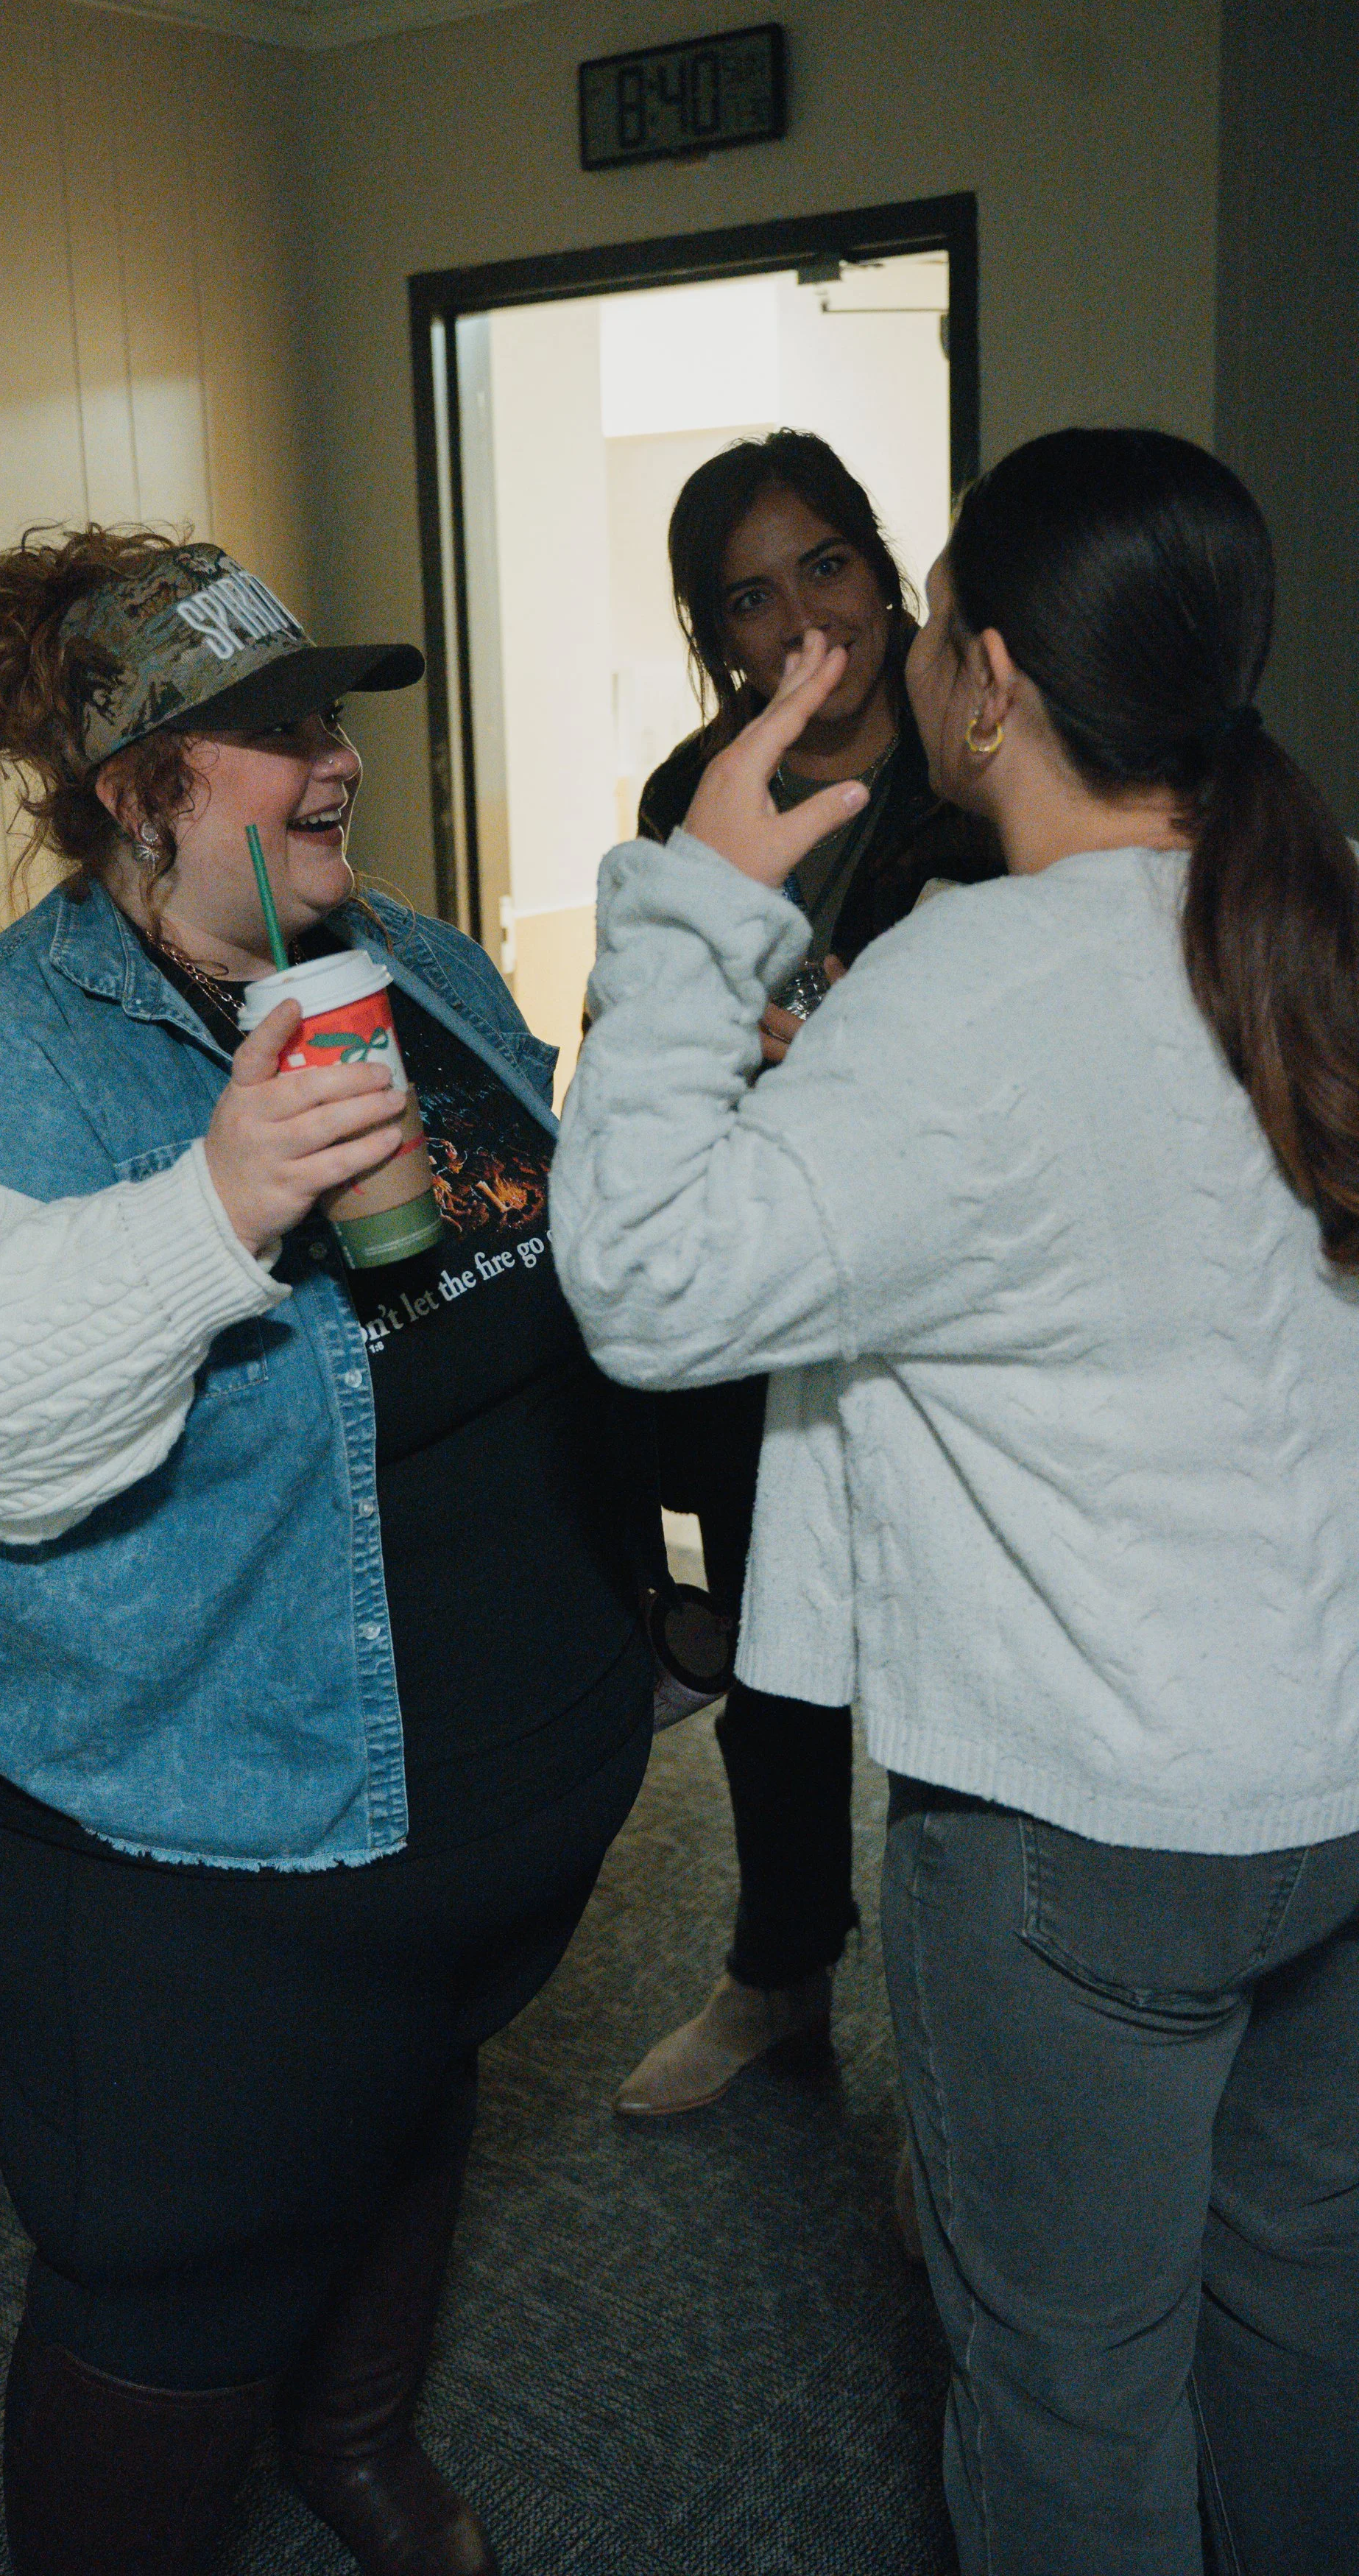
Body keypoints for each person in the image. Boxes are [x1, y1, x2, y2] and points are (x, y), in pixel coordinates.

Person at [0, 529, 654, 2576]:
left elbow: (551, 1267)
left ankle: (355, 2442)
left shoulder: (416, 972)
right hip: (183, 1837)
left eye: (325, 715)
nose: (329, 761)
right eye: (268, 733)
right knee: (175, 2264)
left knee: (400, 2100)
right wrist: (212, 1206)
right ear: (135, 786)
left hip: (461, 1788)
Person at [550, 429, 1359, 2575]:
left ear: (981, 676)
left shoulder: (955, 991)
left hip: (1079, 1840)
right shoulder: (1318, 907)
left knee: (1070, 2393)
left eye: (901, 616)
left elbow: (637, 1284)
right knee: (1295, 2315)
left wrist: (699, 907)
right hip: (1333, 1787)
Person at [618, 429, 1000, 2120]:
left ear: (880, 561)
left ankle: (954, 2066)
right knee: (777, 1654)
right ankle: (776, 1975)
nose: (798, 622)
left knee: (949, 1674)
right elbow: (657, 1032)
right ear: (718, 635)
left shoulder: (976, 766)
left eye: (824, 566)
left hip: (935, 1299)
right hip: (764, 1270)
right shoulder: (694, 791)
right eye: (748, 598)